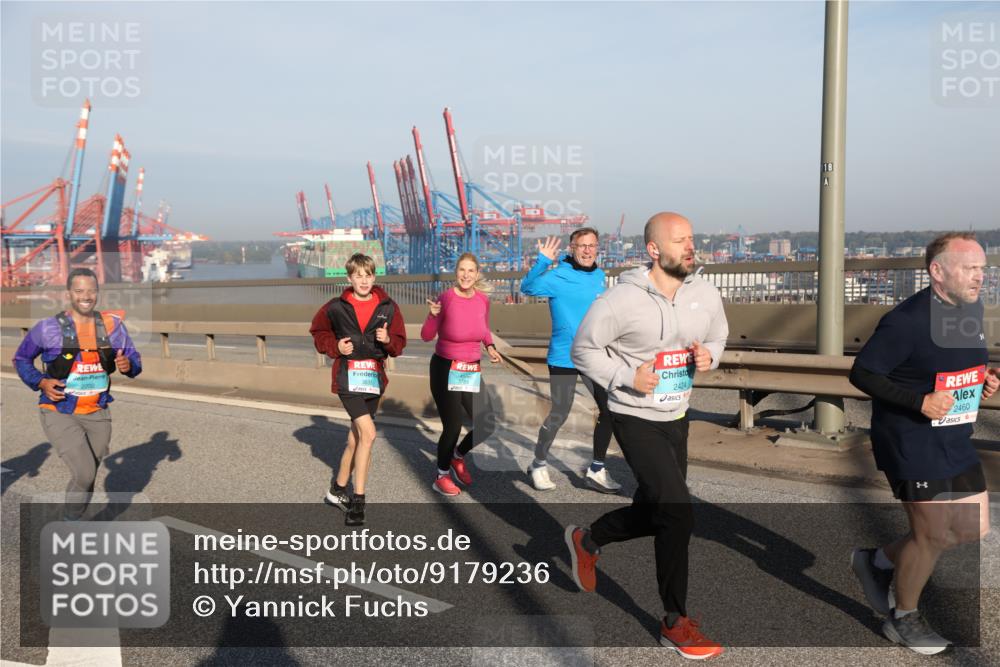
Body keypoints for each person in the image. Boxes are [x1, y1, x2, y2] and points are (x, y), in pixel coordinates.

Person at [566, 212, 728, 659]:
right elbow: (584, 349)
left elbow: (719, 337)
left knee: (656, 508)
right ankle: (674, 621)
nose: (690, 247)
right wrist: (625, 376)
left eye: (692, 238)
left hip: (677, 415)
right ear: (654, 250)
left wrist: (707, 357)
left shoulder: (705, 293)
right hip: (633, 415)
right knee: (678, 512)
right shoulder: (621, 300)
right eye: (680, 241)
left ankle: (589, 538)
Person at [849, 232, 997, 654]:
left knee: (972, 528)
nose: (980, 277)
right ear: (938, 271)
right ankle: (903, 618)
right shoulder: (907, 321)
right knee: (932, 534)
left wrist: (982, 381)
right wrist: (920, 401)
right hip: (910, 439)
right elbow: (863, 374)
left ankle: (877, 562)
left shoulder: (970, 309)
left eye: (982, 268)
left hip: (955, 435)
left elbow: (959, 364)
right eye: (970, 268)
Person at [13, 268, 142, 520]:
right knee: (84, 473)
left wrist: (129, 366)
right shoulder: (47, 328)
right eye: (80, 290)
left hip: (98, 411)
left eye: (91, 290)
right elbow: (21, 358)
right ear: (68, 294)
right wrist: (41, 382)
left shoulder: (113, 325)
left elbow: (133, 359)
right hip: (59, 410)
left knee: (89, 474)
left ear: (98, 293)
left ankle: (73, 518)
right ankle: (70, 524)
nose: (86, 296)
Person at [310, 253, 406, 525]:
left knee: (356, 437)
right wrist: (335, 347)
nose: (363, 280)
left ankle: (337, 490)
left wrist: (388, 340)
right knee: (369, 434)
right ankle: (358, 501)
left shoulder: (388, 306)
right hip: (347, 379)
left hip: (373, 379)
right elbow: (318, 332)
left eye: (368, 275)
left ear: (374, 277)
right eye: (358, 276)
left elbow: (399, 344)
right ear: (349, 278)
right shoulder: (335, 307)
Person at [521, 228, 619, 492]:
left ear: (597, 248)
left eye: (592, 245)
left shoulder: (600, 276)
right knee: (561, 411)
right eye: (582, 245)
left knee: (609, 407)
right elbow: (526, 287)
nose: (587, 250)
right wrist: (542, 261)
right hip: (564, 356)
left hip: (594, 355)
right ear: (572, 249)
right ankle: (538, 463)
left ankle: (597, 468)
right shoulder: (557, 276)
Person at [421, 252, 502, 496]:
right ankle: (441, 475)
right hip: (445, 367)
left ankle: (457, 456)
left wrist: (490, 346)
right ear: (456, 273)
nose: (466, 275)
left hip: (470, 367)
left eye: (471, 271)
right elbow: (426, 336)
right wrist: (432, 315)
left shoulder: (482, 300)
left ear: (477, 274)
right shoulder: (445, 299)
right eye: (461, 270)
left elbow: (484, 328)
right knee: (453, 426)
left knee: (486, 423)